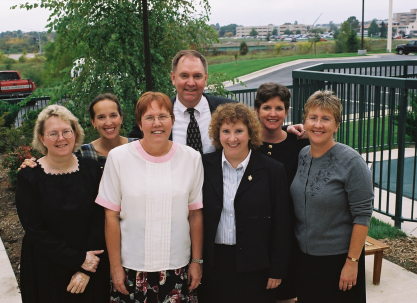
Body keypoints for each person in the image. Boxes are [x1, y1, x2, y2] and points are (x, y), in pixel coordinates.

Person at [95, 92, 204, 303]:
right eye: (149, 118)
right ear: (139, 123)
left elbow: (195, 214)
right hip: (131, 268)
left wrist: (196, 261)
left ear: (172, 119)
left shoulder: (191, 158)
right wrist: (115, 266)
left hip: (177, 267)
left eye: (163, 116)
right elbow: (111, 216)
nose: (157, 124)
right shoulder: (118, 158)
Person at [15, 105, 110, 302]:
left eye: (66, 131)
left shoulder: (93, 170)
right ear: (41, 138)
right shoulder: (29, 177)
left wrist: (87, 269)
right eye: (53, 133)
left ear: (75, 133)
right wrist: (79, 260)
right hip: (45, 268)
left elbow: (100, 219)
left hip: (91, 263)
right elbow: (35, 230)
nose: (61, 138)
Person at [200, 102, 291, 303]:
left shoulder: (272, 170)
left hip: (256, 267)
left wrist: (277, 269)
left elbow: (281, 223)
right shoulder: (203, 166)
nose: (232, 138)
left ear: (251, 133)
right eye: (226, 131)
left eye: (239, 131)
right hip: (214, 267)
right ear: (218, 134)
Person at [128, 50, 305, 152]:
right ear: (173, 78)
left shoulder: (228, 108)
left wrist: (284, 129)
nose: (191, 82)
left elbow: (252, 132)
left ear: (205, 79)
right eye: (184, 76)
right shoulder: (160, 114)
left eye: (197, 76)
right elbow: (132, 142)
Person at [290, 90, 373, 303]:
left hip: (339, 261)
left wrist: (352, 262)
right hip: (306, 260)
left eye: (326, 119)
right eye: (313, 118)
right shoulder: (302, 155)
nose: (318, 125)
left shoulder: (352, 162)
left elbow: (362, 216)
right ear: (304, 121)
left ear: (336, 125)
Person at [254, 83, 309, 303]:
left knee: (287, 295)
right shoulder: (247, 145)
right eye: (267, 107)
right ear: (257, 110)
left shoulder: (299, 145)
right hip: (256, 236)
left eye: (279, 108)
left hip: (289, 235)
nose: (273, 114)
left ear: (286, 111)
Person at [21, 93, 129, 170]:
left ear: (121, 118)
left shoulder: (139, 147)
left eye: (113, 115)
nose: (108, 122)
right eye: (101, 117)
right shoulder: (83, 153)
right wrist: (31, 166)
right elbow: (57, 161)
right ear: (93, 122)